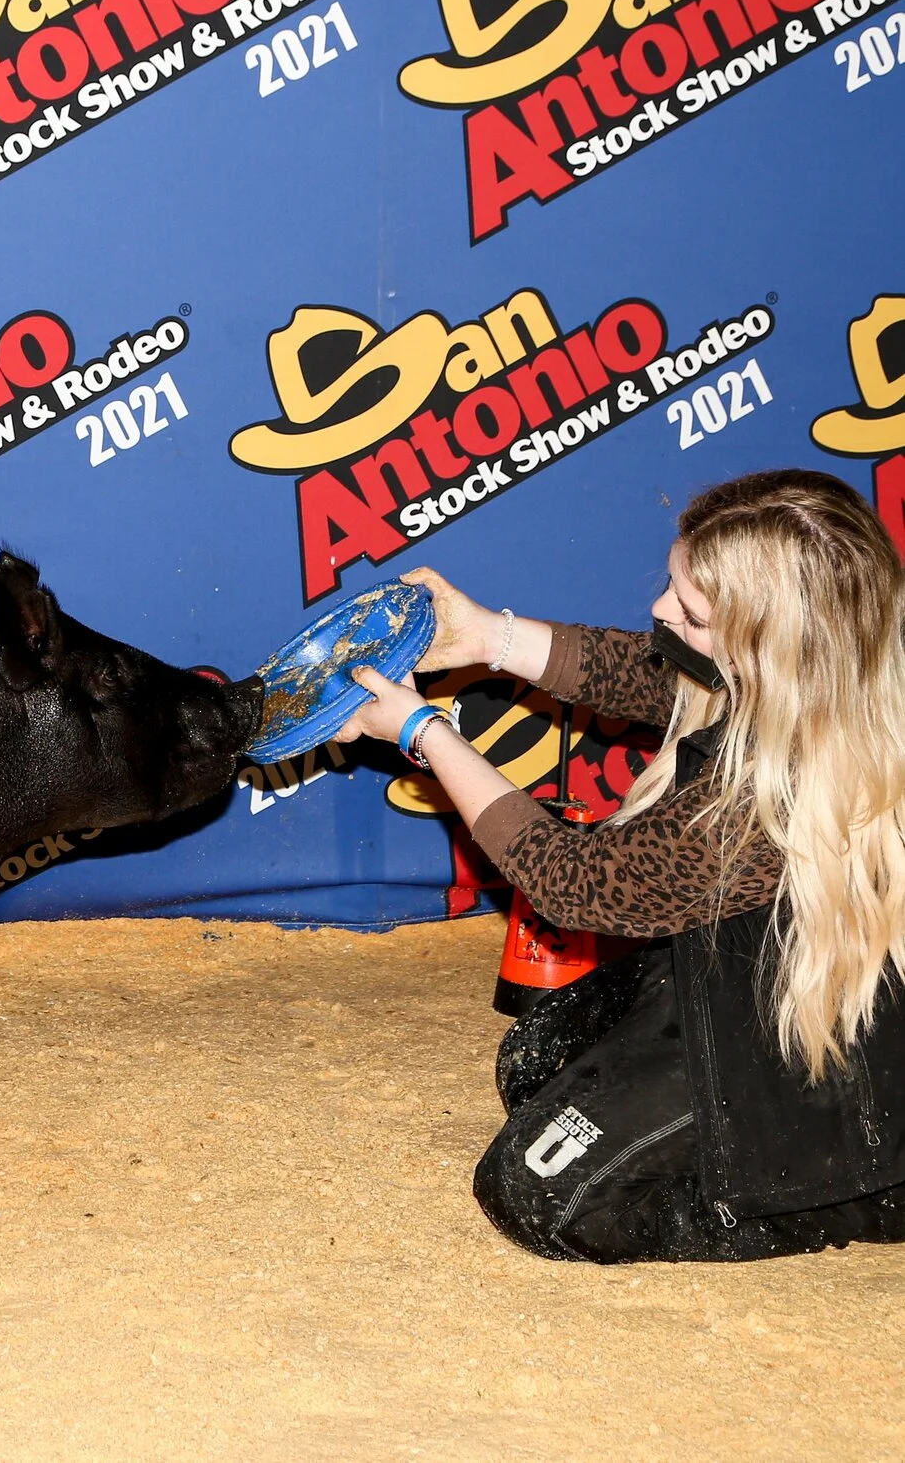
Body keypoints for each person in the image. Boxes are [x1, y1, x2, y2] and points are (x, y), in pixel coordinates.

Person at [333, 469, 905, 1261]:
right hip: (751, 972)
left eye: (693, 613)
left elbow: (570, 882)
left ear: (768, 644)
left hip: (818, 1043)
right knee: (533, 1059)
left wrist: (425, 731)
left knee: (538, 1194)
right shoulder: (833, 676)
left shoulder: (764, 804)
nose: (661, 611)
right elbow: (650, 671)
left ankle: (863, 1193)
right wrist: (482, 635)